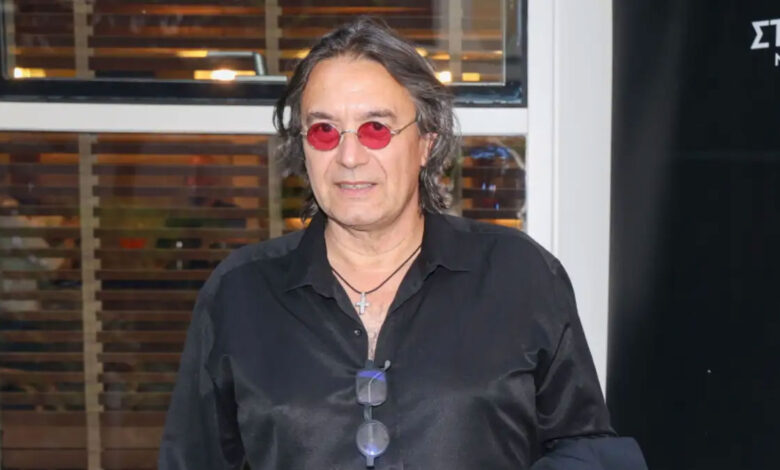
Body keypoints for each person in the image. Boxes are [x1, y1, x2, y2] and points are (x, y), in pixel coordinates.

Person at [158, 17, 647, 469]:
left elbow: (585, 448)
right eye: (324, 131)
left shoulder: (519, 276)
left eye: (375, 129)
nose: (349, 156)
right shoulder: (240, 292)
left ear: (426, 142)